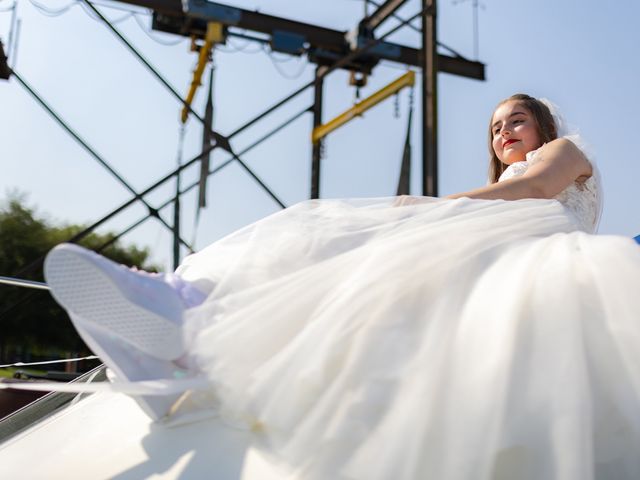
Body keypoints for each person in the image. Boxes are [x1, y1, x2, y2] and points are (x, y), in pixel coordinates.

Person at [44, 94, 640, 479]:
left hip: (537, 259)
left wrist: (425, 208)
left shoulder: (562, 155)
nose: (503, 131)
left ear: (543, 126)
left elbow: (534, 191)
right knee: (322, 240)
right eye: (492, 127)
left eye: (516, 119)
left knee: (324, 226)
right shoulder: (498, 187)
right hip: (495, 246)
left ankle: (184, 316)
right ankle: (180, 328)